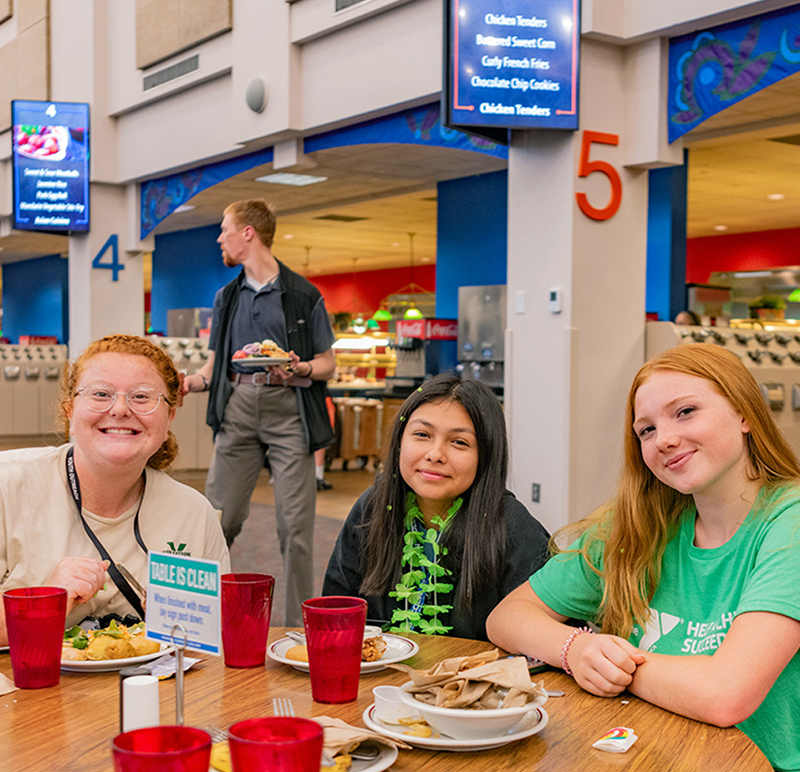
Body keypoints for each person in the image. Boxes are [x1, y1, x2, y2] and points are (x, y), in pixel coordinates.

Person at [486, 343, 800, 772]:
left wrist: (616, 666)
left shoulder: (788, 523)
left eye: (686, 412)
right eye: (646, 430)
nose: (664, 439)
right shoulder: (641, 523)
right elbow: (508, 617)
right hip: (654, 753)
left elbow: (724, 695)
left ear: (745, 411)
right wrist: (576, 649)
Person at [0, 334, 230, 646]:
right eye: (100, 394)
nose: (120, 409)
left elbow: (215, 641)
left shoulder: (193, 514)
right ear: (70, 410)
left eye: (141, 397)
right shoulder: (8, 485)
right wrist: (45, 603)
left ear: (170, 416)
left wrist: (188, 625)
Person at [183, 199, 335, 626]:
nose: (220, 238)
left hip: (289, 410)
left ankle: (298, 628)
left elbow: (327, 363)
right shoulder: (226, 297)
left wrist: (299, 366)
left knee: (296, 527)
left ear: (248, 233)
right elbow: (216, 366)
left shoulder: (304, 294)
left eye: (224, 229)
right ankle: (202, 618)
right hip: (238, 407)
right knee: (219, 519)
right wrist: (189, 382)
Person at [323, 373, 550, 641]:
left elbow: (547, 635)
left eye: (459, 442)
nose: (434, 454)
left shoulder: (514, 527)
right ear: (400, 441)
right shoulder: (374, 507)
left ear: (486, 455)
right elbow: (335, 613)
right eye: (422, 434)